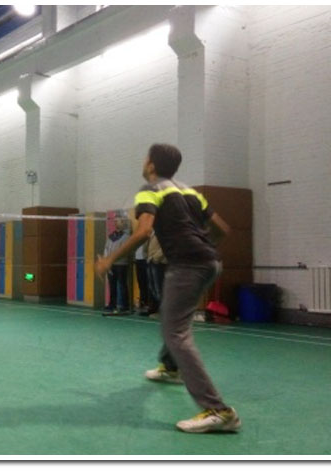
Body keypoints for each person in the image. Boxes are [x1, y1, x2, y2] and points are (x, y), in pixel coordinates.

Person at [95, 143, 238, 433]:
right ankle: (170, 367)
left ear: (151, 165)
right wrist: (203, 246)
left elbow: (143, 231)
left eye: (145, 158)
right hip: (210, 262)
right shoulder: (190, 192)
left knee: (175, 331)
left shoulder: (150, 190)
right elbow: (223, 229)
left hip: (187, 265)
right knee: (173, 320)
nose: (143, 162)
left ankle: (218, 410)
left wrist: (109, 259)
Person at [102, 217, 130, 315]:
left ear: (123, 223)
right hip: (111, 264)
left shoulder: (126, 236)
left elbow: (124, 250)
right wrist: (106, 260)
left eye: (118, 221)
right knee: (112, 285)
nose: (116, 223)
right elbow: (106, 248)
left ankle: (124, 306)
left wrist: (113, 258)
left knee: (122, 285)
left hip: (121, 264)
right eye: (115, 221)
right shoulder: (111, 236)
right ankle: (112, 304)